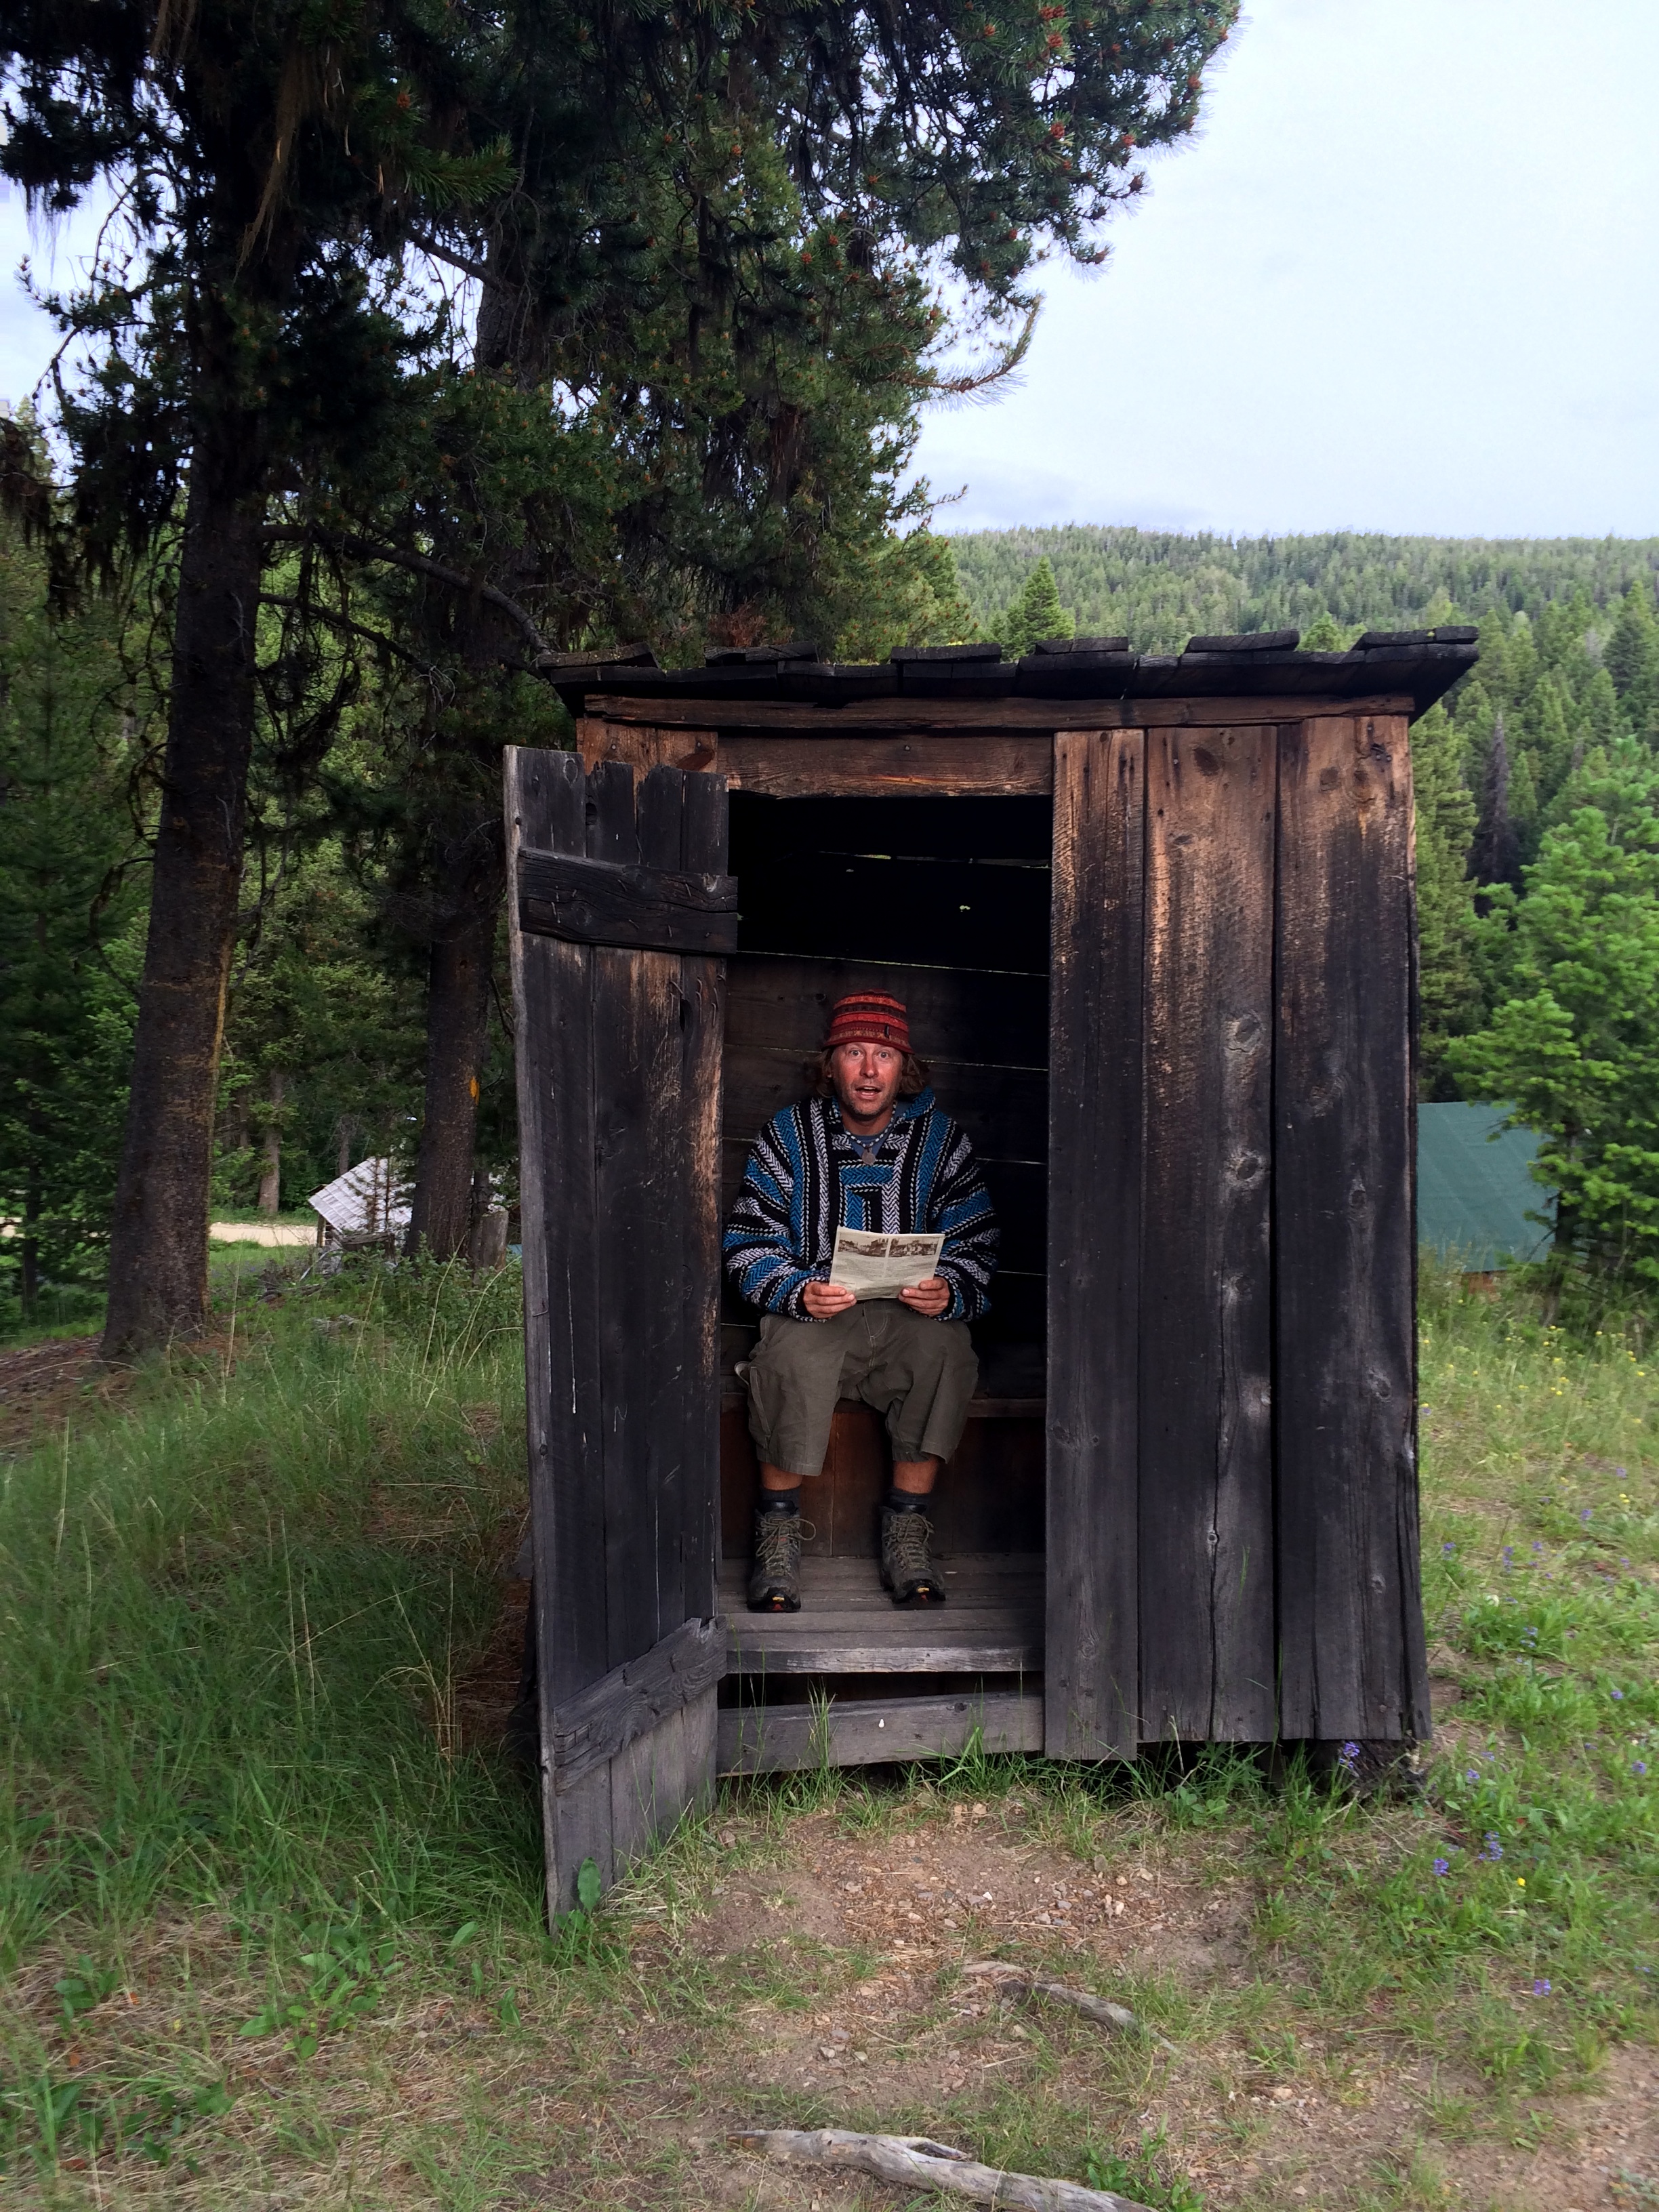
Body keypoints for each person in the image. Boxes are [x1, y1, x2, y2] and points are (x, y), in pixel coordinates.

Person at [723, 991, 998, 1614]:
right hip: (821, 1314)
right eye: (854, 1053)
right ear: (830, 1065)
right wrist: (798, 1290)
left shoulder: (941, 1142)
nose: (870, 1070)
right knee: (787, 1357)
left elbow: (977, 1239)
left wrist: (949, 1286)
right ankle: (777, 1536)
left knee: (948, 1351)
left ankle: (907, 1531)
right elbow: (748, 1241)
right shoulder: (788, 1136)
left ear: (906, 1068)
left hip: (908, 1320)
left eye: (884, 1055)